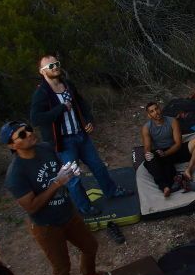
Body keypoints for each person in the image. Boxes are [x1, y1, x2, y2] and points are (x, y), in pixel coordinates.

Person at [0, 120, 111, 275]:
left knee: (90, 245)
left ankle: (89, 274)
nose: (29, 133)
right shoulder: (16, 174)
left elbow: (59, 169)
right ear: (12, 146)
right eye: (22, 134)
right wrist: (57, 184)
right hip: (46, 225)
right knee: (62, 267)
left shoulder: (45, 148)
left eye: (28, 129)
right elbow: (32, 206)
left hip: (68, 212)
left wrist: (69, 172)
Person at [30, 54, 132, 216]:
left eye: (57, 63)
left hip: (81, 135)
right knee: (73, 177)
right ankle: (84, 207)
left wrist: (88, 119)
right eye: (50, 66)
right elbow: (36, 119)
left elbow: (81, 103)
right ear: (42, 71)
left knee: (98, 166)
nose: (55, 67)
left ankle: (112, 191)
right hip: (63, 142)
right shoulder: (42, 93)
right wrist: (60, 108)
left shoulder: (67, 85)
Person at [141, 102, 195, 196]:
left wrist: (165, 153)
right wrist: (148, 154)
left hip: (174, 150)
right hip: (160, 154)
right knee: (150, 160)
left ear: (160, 108)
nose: (156, 112)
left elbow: (178, 144)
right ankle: (166, 186)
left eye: (156, 109)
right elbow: (147, 147)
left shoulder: (172, 121)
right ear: (149, 115)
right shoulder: (146, 127)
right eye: (152, 111)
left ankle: (188, 170)